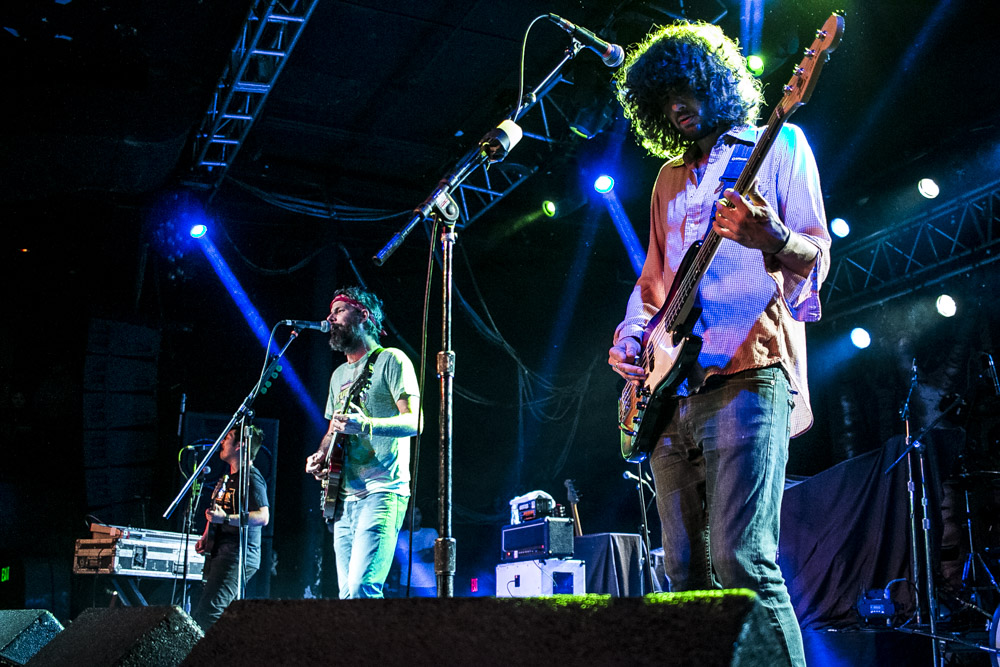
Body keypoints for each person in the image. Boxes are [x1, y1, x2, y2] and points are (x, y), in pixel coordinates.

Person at [607, 21, 831, 667]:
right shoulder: (667, 179)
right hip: (669, 394)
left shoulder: (780, 142)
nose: (678, 102)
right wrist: (632, 334)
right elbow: (654, 280)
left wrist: (772, 238)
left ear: (717, 82)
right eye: (664, 93)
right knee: (682, 570)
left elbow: (816, 252)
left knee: (742, 557)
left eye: (687, 85)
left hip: (748, 371)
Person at [305, 287, 420, 599]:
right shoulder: (338, 374)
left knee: (362, 589)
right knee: (347, 597)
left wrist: (366, 424)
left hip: (383, 491)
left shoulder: (391, 360)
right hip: (343, 497)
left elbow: (414, 422)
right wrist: (320, 455)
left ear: (362, 315)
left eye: (339, 310)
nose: (330, 318)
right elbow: (333, 429)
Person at [192, 425, 269, 631]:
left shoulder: (252, 477)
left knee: (210, 613)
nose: (222, 442)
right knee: (207, 611)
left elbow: (263, 517)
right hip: (220, 552)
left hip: (239, 555)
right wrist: (206, 536)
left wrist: (226, 518)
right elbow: (215, 513)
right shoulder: (226, 479)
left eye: (228, 438)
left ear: (240, 445)